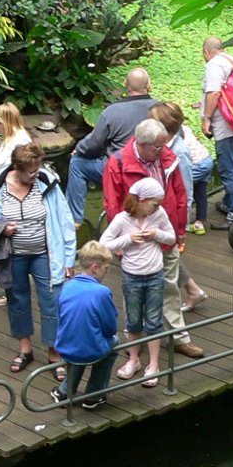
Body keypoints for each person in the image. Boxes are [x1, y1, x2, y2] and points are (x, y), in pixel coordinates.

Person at [0, 143, 77, 377]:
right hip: (13, 255)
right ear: (16, 168)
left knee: (52, 300)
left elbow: (65, 221)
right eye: (31, 171)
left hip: (45, 253)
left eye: (38, 168)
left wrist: (69, 258)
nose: (36, 174)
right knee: (17, 300)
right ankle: (25, 349)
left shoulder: (47, 183)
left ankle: (54, 353)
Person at [103, 118, 204, 359]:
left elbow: (180, 193)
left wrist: (179, 231)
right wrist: (122, 240)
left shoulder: (167, 157)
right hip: (135, 238)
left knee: (169, 286)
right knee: (133, 291)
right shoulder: (117, 163)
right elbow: (112, 202)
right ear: (143, 144)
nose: (163, 149)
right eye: (158, 146)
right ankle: (133, 343)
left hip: (163, 233)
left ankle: (179, 338)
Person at [99, 177, 176, 388]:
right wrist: (129, 239)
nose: (158, 207)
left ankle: (153, 364)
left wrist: (156, 234)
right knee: (133, 320)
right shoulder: (123, 219)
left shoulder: (159, 215)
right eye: (155, 203)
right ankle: (133, 359)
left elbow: (171, 238)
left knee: (153, 321)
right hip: (132, 276)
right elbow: (104, 243)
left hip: (154, 275)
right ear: (142, 200)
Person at [66, 68, 159, 220]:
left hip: (118, 170)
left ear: (125, 85)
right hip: (152, 169)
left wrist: (79, 149)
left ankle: (74, 219)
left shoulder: (112, 111)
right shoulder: (160, 109)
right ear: (149, 86)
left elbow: (94, 144)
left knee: (77, 163)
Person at [151, 103, 212, 311]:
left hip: (170, 219)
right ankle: (194, 290)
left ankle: (170, 304)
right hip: (160, 214)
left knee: (165, 258)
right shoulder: (163, 146)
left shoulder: (180, 153)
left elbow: (185, 193)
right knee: (167, 256)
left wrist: (180, 229)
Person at [51, 242, 120, 410]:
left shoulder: (67, 286)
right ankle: (94, 396)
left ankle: (64, 392)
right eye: (106, 268)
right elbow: (110, 328)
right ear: (95, 267)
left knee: (77, 342)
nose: (106, 273)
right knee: (114, 342)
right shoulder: (101, 292)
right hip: (88, 350)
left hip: (64, 346)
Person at [201, 37, 233, 221]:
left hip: (227, 126)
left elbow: (214, 92)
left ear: (206, 52)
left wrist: (206, 117)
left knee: (228, 169)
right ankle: (230, 202)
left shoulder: (214, 65)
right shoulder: (232, 60)